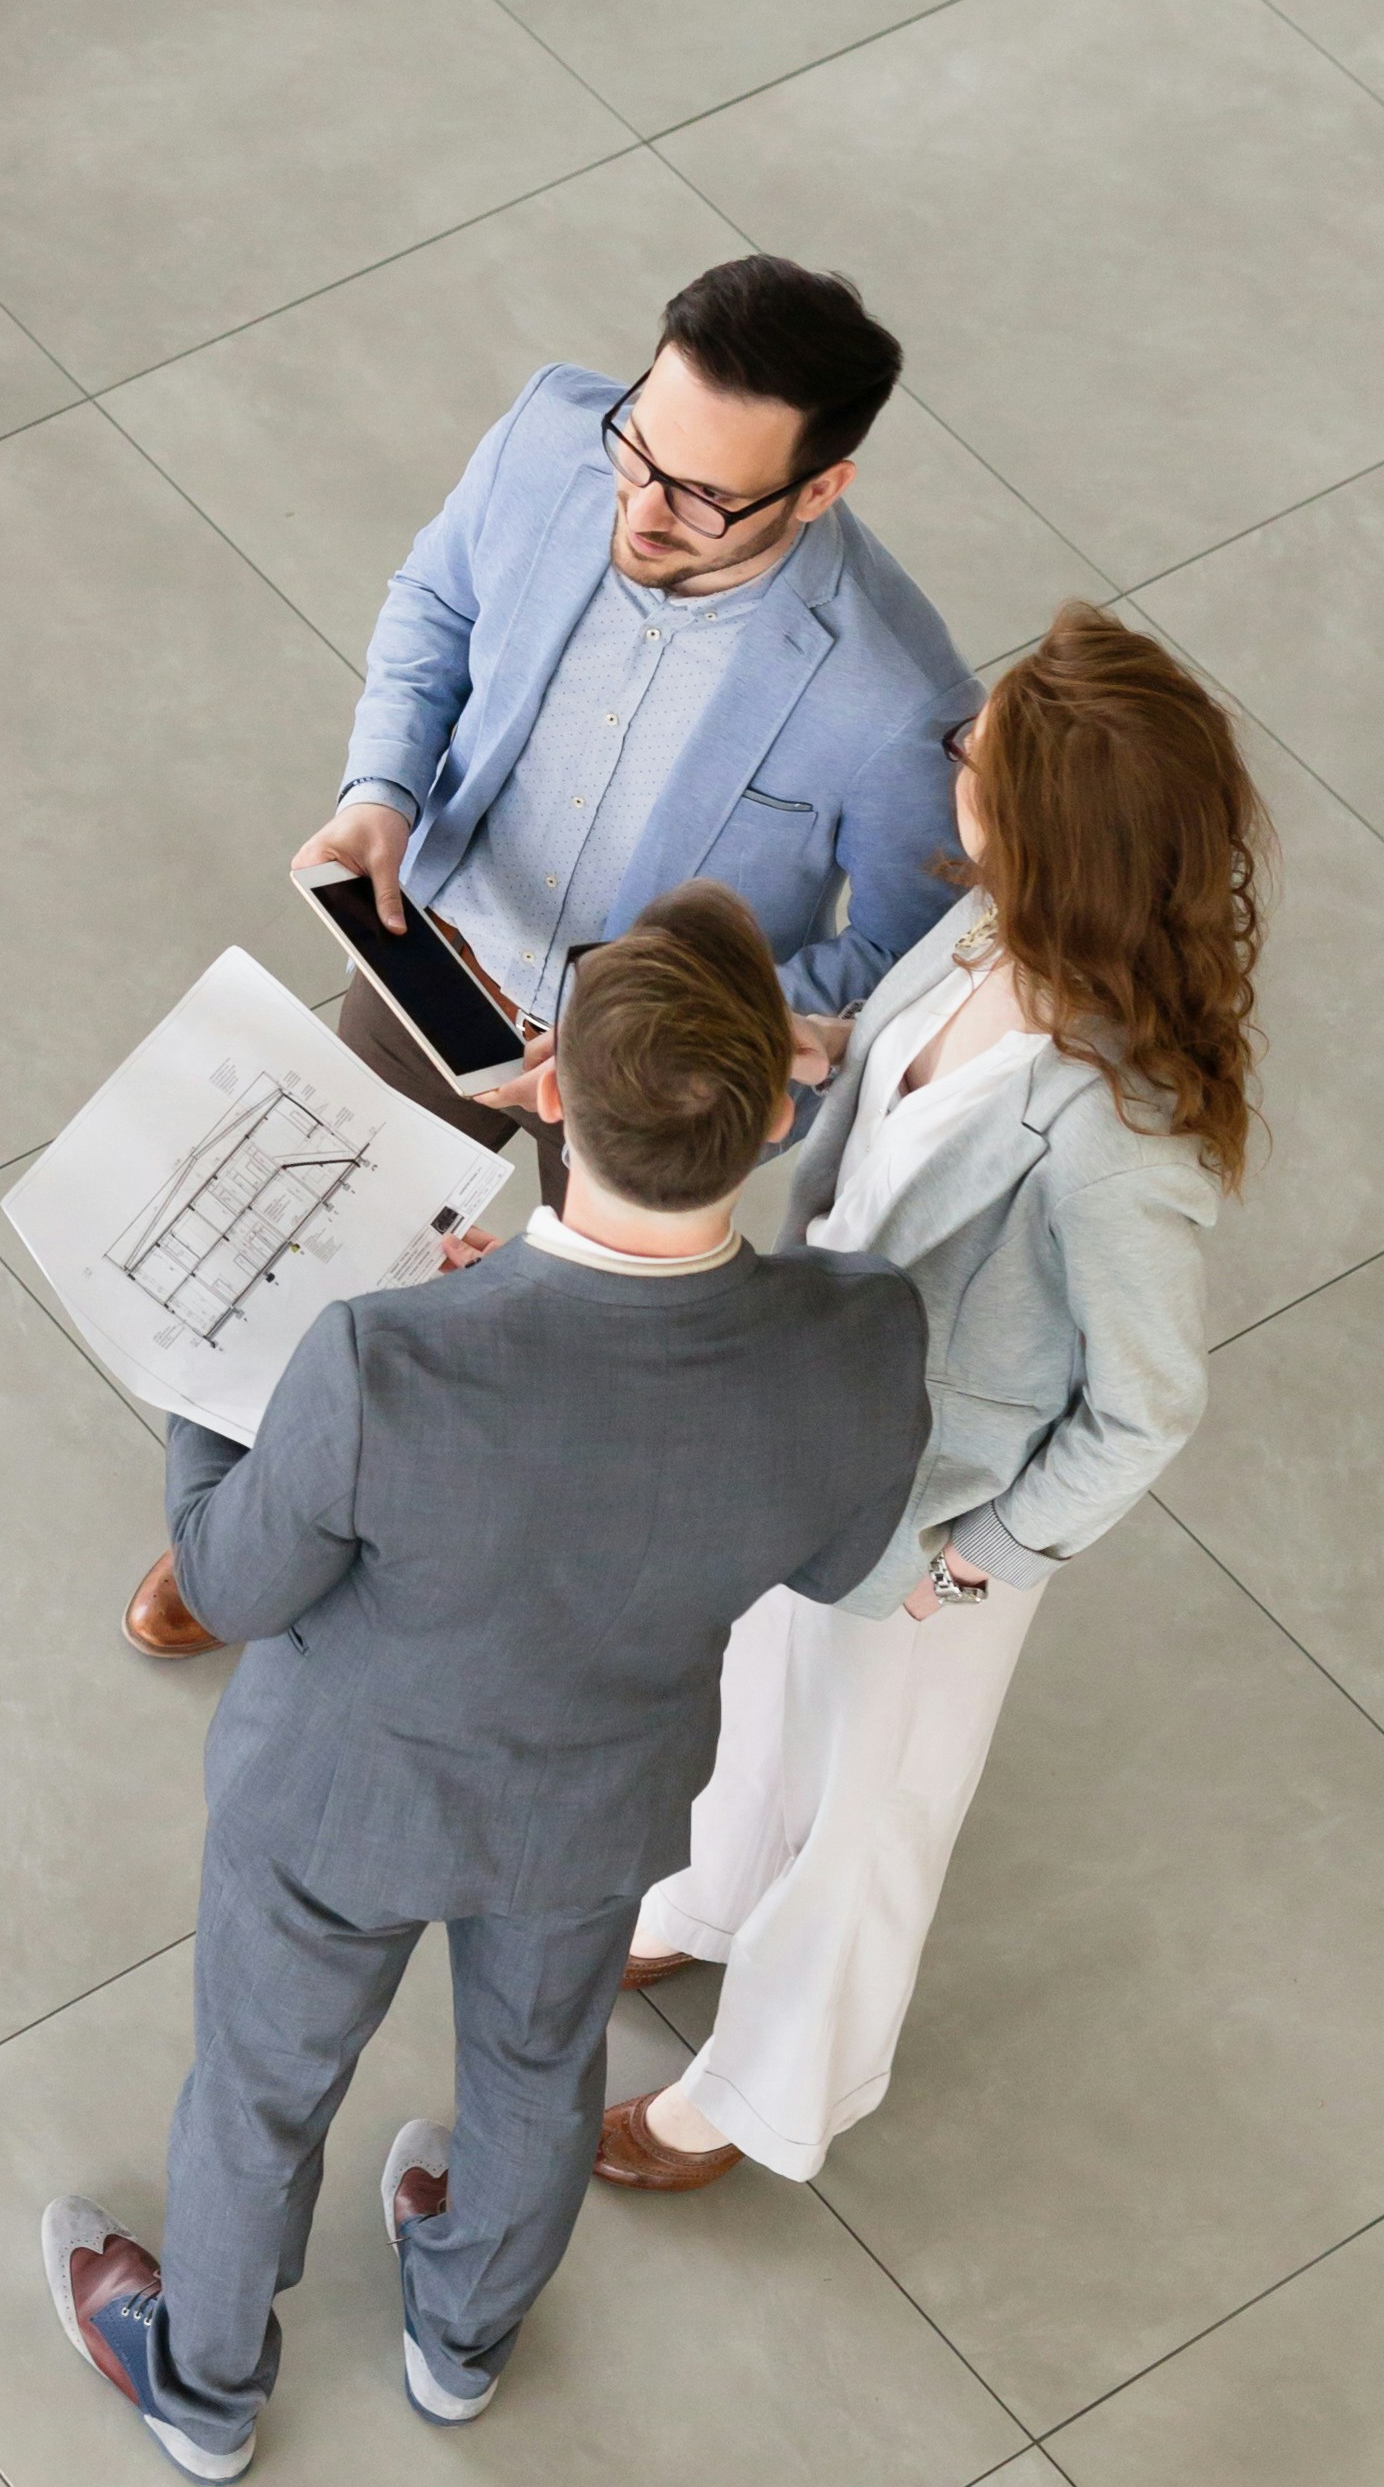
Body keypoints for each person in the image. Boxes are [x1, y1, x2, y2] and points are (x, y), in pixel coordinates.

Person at [44, 890, 928, 2480]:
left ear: (548, 1097)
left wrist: (216, 1384)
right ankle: (459, 2343)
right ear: (776, 1112)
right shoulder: (861, 1339)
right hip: (594, 1807)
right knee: (537, 2066)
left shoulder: (387, 1362)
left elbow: (233, 1582)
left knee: (262, 2090)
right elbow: (838, 1560)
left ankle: (208, 2385)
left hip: (338, 1804)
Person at [128, 253, 975, 1664]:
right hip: (434, 951)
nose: (638, 508)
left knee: (560, 1373)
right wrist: (384, 791)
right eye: (639, 444)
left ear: (820, 489)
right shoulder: (544, 437)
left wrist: (693, 1035)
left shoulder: (894, 693)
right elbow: (437, 603)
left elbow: (905, 953)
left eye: (700, 495)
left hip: (633, 1078)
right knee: (318, 1248)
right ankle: (251, 1534)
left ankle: (446, 1589)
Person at [603, 607, 1259, 2198]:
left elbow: (1147, 1409)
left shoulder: (1125, 1139)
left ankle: (758, 2096)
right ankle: (698, 1901)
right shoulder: (988, 932)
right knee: (760, 1678)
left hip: (934, 1515)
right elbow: (893, 1097)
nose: (954, 747)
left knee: (870, 1811)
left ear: (1046, 827)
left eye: (984, 749)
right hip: (811, 1417)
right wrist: (803, 1048)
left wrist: (991, 1558)